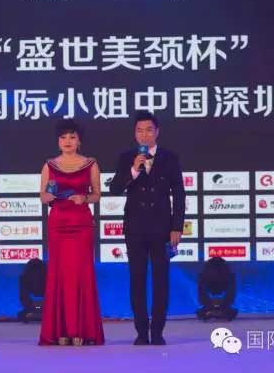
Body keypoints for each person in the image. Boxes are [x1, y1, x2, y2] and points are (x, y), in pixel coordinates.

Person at [109, 111, 185, 345]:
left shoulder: (170, 158)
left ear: (157, 132)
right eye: (140, 130)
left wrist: (177, 227)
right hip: (135, 228)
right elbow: (114, 189)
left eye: (149, 130)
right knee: (137, 279)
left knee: (161, 280)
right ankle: (141, 332)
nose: (144, 135)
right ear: (135, 133)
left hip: (162, 228)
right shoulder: (126, 157)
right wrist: (133, 170)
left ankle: (158, 331)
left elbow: (179, 194)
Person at [38, 119, 105, 346]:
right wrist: (48, 196)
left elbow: (97, 195)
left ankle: (81, 330)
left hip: (81, 224)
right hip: (58, 224)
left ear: (79, 141)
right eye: (63, 137)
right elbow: (43, 195)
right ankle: (61, 331)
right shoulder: (49, 165)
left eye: (72, 137)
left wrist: (84, 198)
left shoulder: (90, 164)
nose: (68, 141)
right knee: (59, 274)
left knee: (81, 274)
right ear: (58, 141)